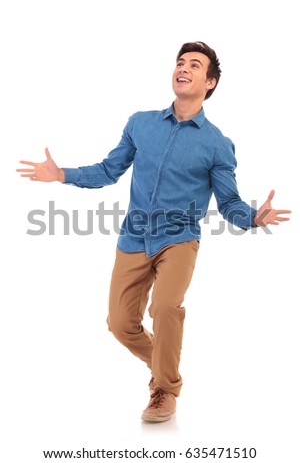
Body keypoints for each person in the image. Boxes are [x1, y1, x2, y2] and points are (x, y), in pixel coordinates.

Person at [17, 41, 291, 423]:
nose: (184, 68)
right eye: (180, 62)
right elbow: (109, 170)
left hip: (179, 239)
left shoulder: (217, 144)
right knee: (119, 324)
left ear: (209, 82)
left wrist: (253, 217)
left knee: (164, 306)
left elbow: (229, 204)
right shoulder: (140, 123)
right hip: (134, 237)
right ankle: (164, 367)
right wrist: (62, 174)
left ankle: (165, 389)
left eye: (195, 65)